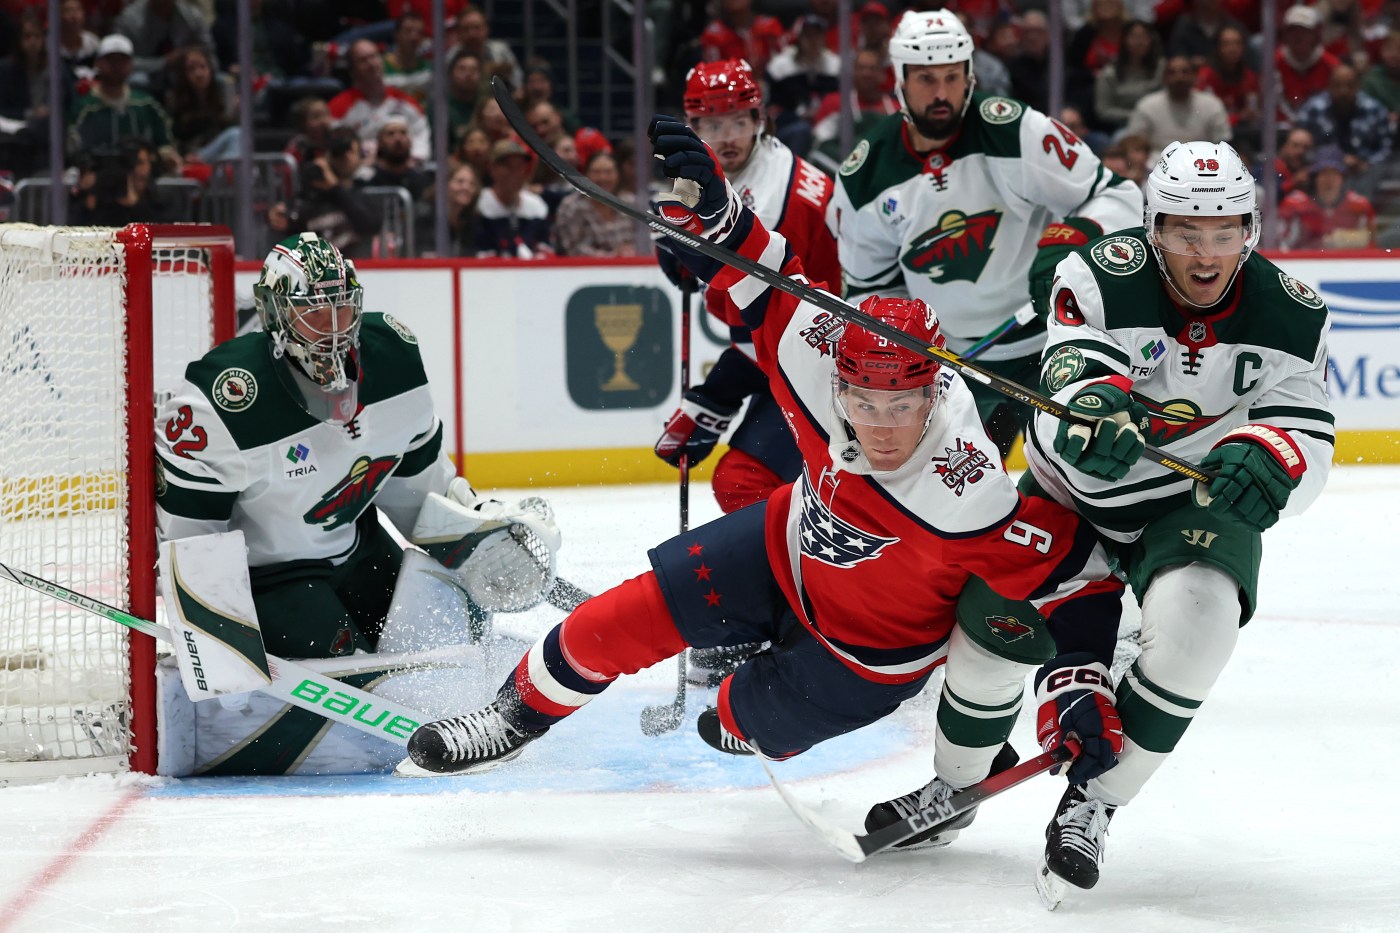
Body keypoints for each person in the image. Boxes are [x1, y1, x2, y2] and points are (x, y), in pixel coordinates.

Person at [401, 119, 1127, 819]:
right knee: (620, 619)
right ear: (837, 383)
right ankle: (509, 716)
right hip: (788, 544)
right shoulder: (819, 355)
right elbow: (768, 277)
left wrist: (1079, 685)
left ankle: (854, 722)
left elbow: (1079, 573)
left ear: (933, 394)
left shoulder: (966, 491)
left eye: (900, 405)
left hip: (866, 652)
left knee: (726, 722)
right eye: (862, 401)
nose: (879, 425)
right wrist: (721, 211)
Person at [910, 141, 1333, 903]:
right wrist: (1091, 407)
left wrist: (1275, 455)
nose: (1205, 253)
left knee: (1201, 627)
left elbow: (1306, 430)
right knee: (988, 645)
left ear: (1250, 230)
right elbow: (1073, 367)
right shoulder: (1099, 273)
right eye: (1185, 231)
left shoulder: (1293, 314)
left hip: (1190, 499)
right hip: (1071, 488)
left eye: (1224, 231)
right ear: (1152, 227)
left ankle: (1095, 801)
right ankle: (957, 782)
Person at [155, 232, 559, 774]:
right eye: (312, 314)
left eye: (342, 308)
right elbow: (191, 541)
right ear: (275, 315)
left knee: (448, 638)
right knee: (358, 680)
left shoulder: (394, 357)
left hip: (359, 548)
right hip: (270, 578)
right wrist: (218, 647)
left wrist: (474, 533)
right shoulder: (223, 400)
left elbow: (416, 491)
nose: (333, 328)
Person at [829, 11, 1143, 460]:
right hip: (952, 367)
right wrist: (906, 347)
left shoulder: (1015, 131)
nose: (941, 93)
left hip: (1052, 348)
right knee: (947, 491)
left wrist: (1071, 238)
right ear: (899, 80)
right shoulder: (864, 177)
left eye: (952, 77)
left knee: (1077, 472)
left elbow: (1117, 195)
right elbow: (869, 292)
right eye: (926, 79)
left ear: (970, 76)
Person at [652, 58, 841, 687]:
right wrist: (715, 396)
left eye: (737, 121)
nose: (726, 137)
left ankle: (792, 617)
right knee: (746, 480)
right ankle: (783, 612)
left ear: (762, 119)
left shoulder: (796, 196)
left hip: (836, 366)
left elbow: (796, 313)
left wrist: (720, 392)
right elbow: (757, 321)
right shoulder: (711, 177)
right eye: (710, 125)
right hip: (782, 351)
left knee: (748, 480)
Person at [67, 33, 181, 173]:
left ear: (130, 65)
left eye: (122, 61)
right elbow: (73, 148)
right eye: (111, 61)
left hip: (142, 177)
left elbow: (165, 142)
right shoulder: (85, 108)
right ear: (98, 63)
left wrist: (166, 156)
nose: (116, 66)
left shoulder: (146, 104)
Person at [328, 38, 430, 165]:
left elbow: (421, 140)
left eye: (374, 56)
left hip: (404, 168)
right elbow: (337, 149)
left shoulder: (407, 102)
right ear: (353, 70)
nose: (371, 64)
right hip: (360, 171)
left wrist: (409, 162)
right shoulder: (338, 108)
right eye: (363, 60)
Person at [1123, 55, 1232, 157]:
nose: (1179, 77)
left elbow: (1223, 142)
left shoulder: (1212, 105)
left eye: (1185, 72)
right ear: (1164, 78)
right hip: (1157, 161)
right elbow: (1134, 142)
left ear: (1194, 76)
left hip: (1203, 160)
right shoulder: (1147, 105)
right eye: (1172, 73)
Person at [1279, 145, 1377, 249]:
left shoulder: (1360, 205)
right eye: (1324, 173)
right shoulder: (1294, 204)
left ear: (1342, 177)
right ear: (1315, 177)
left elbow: (1371, 244)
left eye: (1334, 173)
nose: (1329, 179)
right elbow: (1282, 246)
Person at [475, 137, 553, 258]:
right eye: (508, 166)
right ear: (492, 168)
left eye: (520, 166)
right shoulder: (480, 205)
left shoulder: (536, 206)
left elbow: (545, 247)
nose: (515, 172)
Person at [552, 151, 638, 256]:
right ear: (586, 175)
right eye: (596, 172)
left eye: (608, 172)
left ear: (618, 174)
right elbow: (573, 248)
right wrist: (612, 257)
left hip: (632, 264)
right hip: (586, 266)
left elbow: (646, 240)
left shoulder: (631, 203)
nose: (603, 178)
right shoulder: (571, 206)